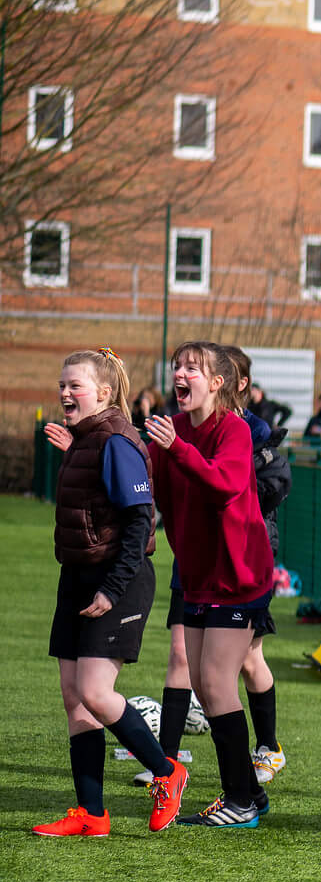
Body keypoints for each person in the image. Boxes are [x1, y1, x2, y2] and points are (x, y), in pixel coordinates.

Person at [31, 349, 190, 836]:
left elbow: (141, 519)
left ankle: (168, 773)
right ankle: (92, 813)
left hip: (117, 579)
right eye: (61, 385)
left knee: (97, 693)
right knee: (74, 699)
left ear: (102, 392)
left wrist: (111, 589)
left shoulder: (119, 440)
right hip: (76, 577)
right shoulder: (87, 438)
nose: (64, 394)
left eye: (74, 386)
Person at [144, 341, 277, 828]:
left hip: (239, 575)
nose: (180, 374)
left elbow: (224, 484)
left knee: (219, 682)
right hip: (198, 574)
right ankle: (250, 794)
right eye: (177, 366)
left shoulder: (235, 431)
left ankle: (239, 801)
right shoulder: (173, 429)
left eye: (191, 368)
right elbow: (152, 486)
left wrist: (176, 450)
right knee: (202, 680)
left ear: (217, 383)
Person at [220, 346, 290, 785]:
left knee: (247, 656)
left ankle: (268, 747)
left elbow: (274, 486)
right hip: (208, 559)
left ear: (239, 384)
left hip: (250, 554)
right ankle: (167, 757)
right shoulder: (196, 430)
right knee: (188, 655)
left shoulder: (258, 438)